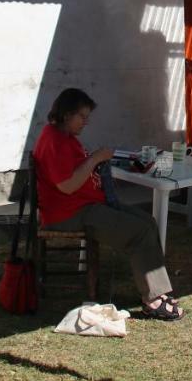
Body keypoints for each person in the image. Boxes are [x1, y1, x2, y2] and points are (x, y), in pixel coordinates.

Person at [31, 87, 182, 321]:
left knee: (147, 222)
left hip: (87, 204)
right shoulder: (54, 141)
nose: (85, 122)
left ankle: (157, 291)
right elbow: (67, 186)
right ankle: (152, 300)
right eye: (82, 116)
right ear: (66, 114)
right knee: (138, 232)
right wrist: (95, 159)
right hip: (71, 213)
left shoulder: (64, 137)